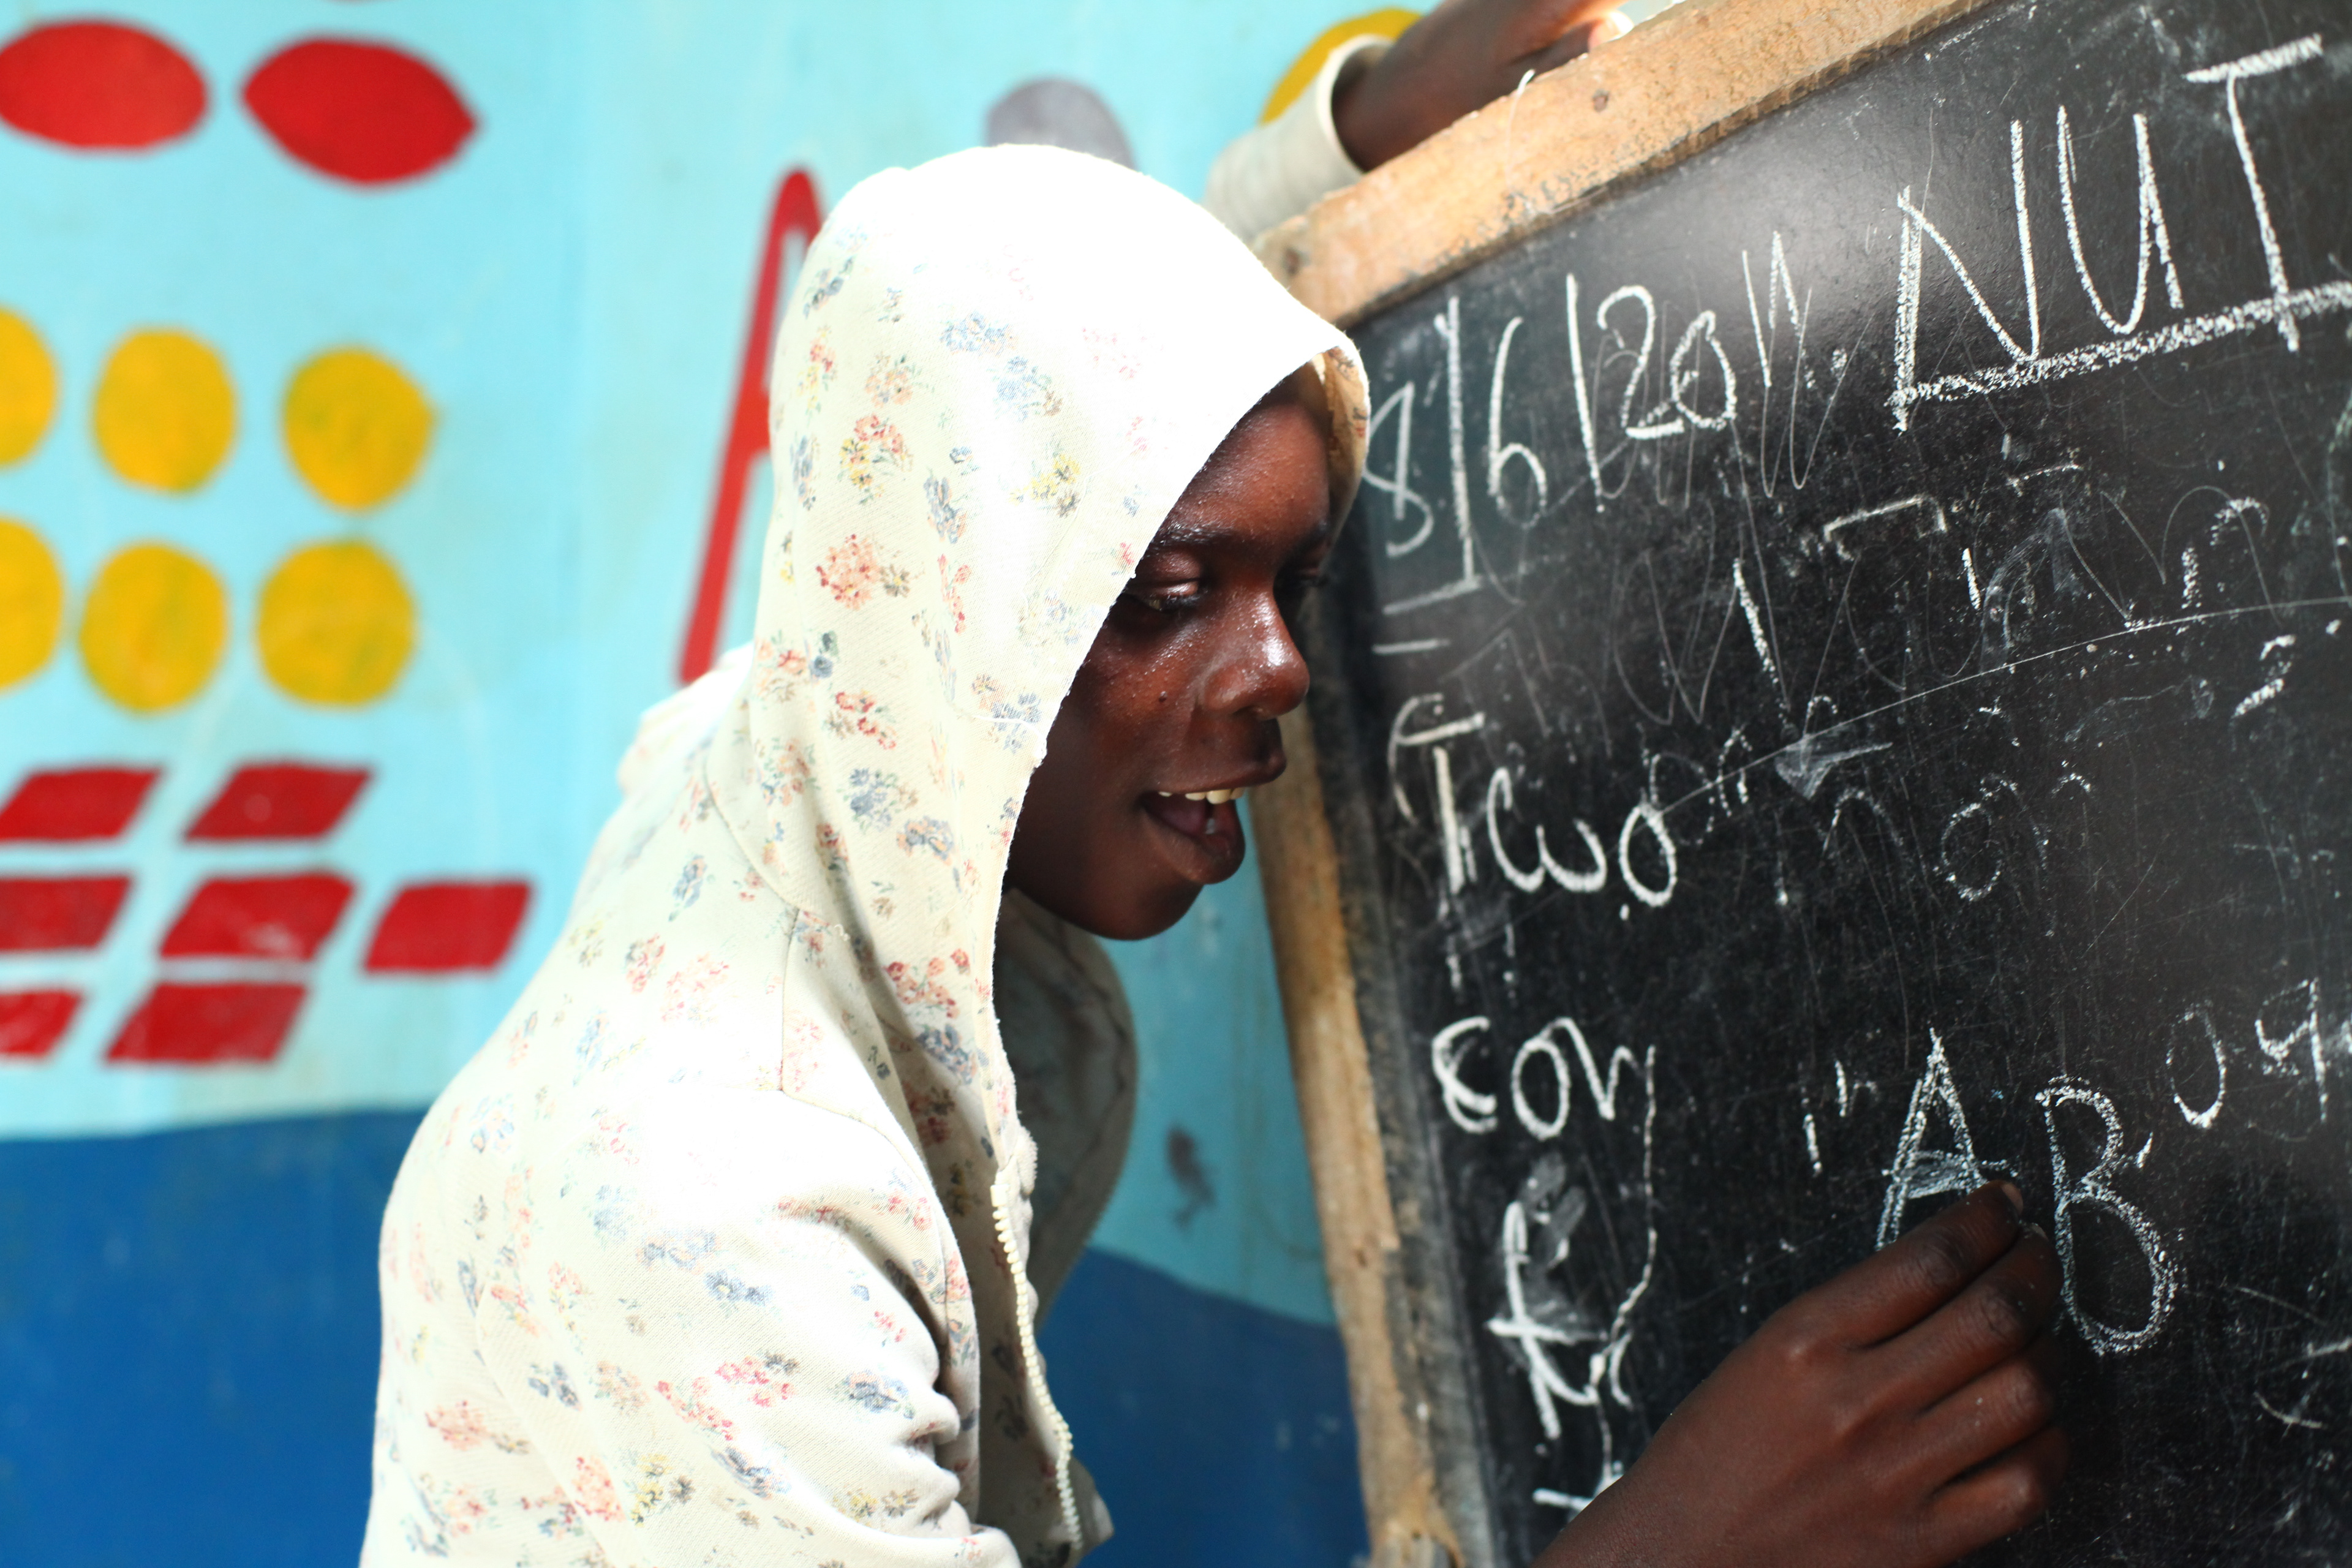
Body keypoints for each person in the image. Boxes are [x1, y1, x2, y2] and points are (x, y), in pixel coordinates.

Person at [363, 141, 2064, 1568]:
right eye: (1175, 596)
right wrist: (1678, 1546)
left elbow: (1053, 363)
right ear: (962, 609)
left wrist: (1373, 120)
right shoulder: (720, 1230)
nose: (1280, 670)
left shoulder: (812, 733)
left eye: (1293, 586)